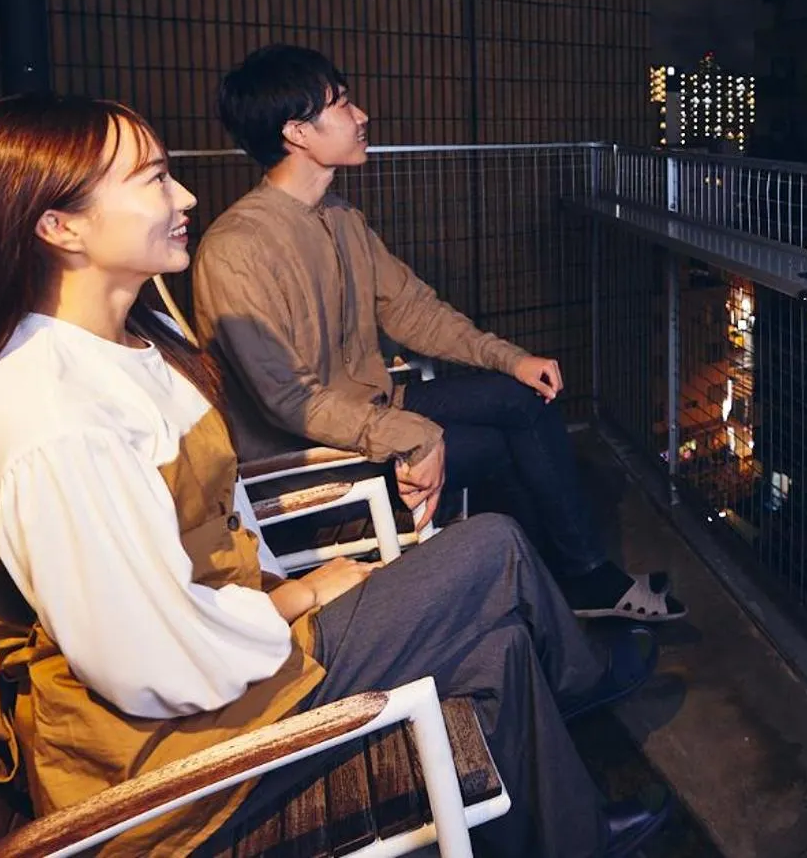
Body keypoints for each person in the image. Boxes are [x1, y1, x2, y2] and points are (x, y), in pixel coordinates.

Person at [0, 94, 668, 858]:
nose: (186, 197)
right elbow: (148, 663)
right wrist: (298, 595)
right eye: (154, 179)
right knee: (490, 548)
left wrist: (282, 592)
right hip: (175, 753)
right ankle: (583, 676)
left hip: (218, 656)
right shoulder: (53, 418)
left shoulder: (131, 340)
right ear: (59, 225)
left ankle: (579, 832)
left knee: (496, 646)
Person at [193, 45, 684, 621]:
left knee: (525, 397)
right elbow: (286, 401)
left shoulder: (341, 217)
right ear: (298, 132)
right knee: (500, 449)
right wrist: (410, 432)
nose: (362, 116)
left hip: (369, 406)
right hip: (307, 451)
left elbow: (413, 311)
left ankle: (576, 578)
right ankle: (552, 589)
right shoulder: (236, 249)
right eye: (343, 103)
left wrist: (510, 359)